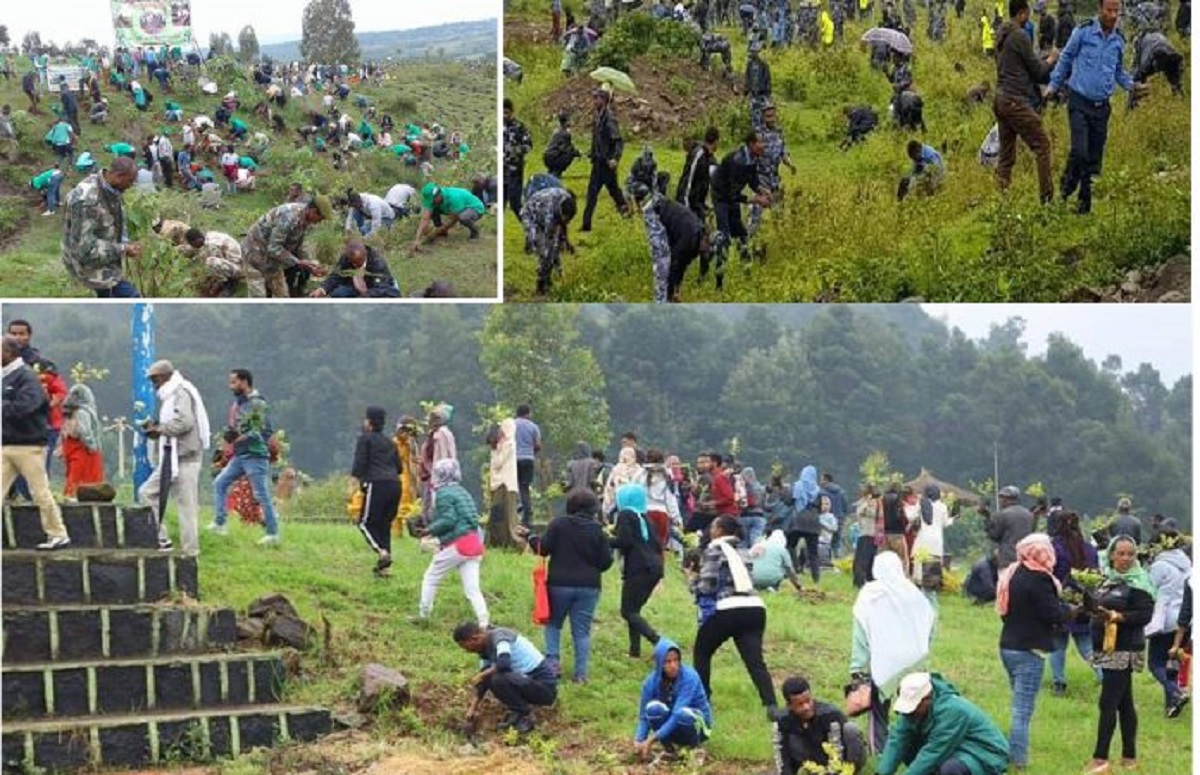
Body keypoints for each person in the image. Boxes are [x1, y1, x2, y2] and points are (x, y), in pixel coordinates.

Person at [1047, 0, 1147, 214]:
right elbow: (1066, 58)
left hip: (1101, 108)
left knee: (1094, 159)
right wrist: (1053, 85)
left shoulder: (1119, 40)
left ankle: (1084, 205)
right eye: (1109, 10)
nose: (1113, 15)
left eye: (1116, 11)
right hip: (1079, 101)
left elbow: (1118, 70)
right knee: (1080, 151)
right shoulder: (1083, 32)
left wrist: (1132, 85)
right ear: (1100, 9)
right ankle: (1065, 190)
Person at [849, 551, 935, 754]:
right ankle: (916, 748)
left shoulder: (870, 594)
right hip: (914, 660)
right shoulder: (913, 592)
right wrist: (922, 650)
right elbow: (930, 622)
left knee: (879, 710)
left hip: (883, 661)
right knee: (915, 705)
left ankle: (880, 751)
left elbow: (860, 632)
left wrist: (857, 666)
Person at [690, 514, 776, 716]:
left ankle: (703, 701)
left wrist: (692, 580)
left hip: (728, 608)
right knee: (755, 661)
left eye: (713, 526)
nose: (710, 530)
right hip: (755, 608)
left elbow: (707, 585)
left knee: (702, 652)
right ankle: (771, 704)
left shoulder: (714, 549)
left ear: (720, 530)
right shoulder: (744, 551)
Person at [995, 533, 1068, 769]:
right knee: (1022, 711)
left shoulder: (1013, 572)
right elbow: (1053, 614)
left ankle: (1012, 755)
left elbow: (1005, 611)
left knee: (1018, 706)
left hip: (1008, 646)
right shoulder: (1040, 579)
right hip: (1029, 651)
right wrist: (1071, 610)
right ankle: (1018, 762)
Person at [1084, 536, 1156, 774]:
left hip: (1124, 648)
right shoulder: (1105, 579)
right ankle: (1129, 757)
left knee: (1107, 702)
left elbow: (1144, 615)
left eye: (1130, 554)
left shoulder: (1140, 583)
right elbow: (1096, 605)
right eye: (1121, 553)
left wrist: (1118, 617)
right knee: (1124, 703)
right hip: (1105, 646)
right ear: (1112, 554)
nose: (1125, 559)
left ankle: (1100, 759)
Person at [527, 489, 613, 683]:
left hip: (559, 584)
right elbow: (606, 562)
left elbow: (544, 548)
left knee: (554, 624)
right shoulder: (598, 530)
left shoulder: (559, 524)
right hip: (589, 587)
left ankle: (552, 665)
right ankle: (581, 674)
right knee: (581, 632)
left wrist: (532, 538)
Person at [1, 337, 70, 550]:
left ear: (10, 353)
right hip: (6, 444)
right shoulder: (5, 377)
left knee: (40, 492)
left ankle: (58, 534)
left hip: (29, 446)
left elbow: (27, 407)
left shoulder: (27, 377)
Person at [139, 360, 210, 556]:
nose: (154, 385)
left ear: (165, 376)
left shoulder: (181, 392)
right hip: (171, 458)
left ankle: (190, 553)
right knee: (146, 493)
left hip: (186, 457)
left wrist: (160, 429)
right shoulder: (170, 395)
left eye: (155, 379)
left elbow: (185, 422)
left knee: (186, 507)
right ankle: (161, 539)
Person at [876, 672, 1009, 775]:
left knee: (950, 768)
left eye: (915, 706)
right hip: (955, 747)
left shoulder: (953, 711)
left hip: (982, 753)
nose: (910, 712)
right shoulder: (912, 712)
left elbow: (934, 751)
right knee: (906, 746)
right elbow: (897, 740)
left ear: (927, 699)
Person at [994, 0, 1059, 203]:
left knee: (1006, 156)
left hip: (1001, 99)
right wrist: (1051, 59)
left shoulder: (1002, 35)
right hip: (1015, 101)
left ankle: (1001, 202)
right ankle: (1047, 199)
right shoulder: (1019, 35)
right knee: (1042, 145)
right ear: (1022, 13)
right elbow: (1038, 72)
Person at [207, 369, 280, 545]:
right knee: (220, 483)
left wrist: (235, 438)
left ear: (244, 382)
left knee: (261, 494)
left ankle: (273, 533)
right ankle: (220, 522)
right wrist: (227, 444)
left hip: (255, 455)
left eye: (234, 382)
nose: (231, 386)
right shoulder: (239, 404)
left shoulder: (257, 404)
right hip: (240, 455)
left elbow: (257, 431)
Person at [415, 459, 490, 626]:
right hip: (475, 543)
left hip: (460, 544)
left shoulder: (443, 493)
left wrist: (429, 530)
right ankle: (484, 622)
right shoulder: (462, 491)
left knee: (431, 577)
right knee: (472, 589)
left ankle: (423, 615)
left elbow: (449, 520)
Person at [455, 621, 557, 734]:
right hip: (526, 682)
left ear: (475, 638)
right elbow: (483, 681)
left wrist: (482, 675)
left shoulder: (500, 637)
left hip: (543, 688)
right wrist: (472, 709)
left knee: (498, 679)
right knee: (491, 677)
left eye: (465, 646)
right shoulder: (484, 650)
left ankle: (525, 715)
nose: (466, 651)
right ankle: (518, 712)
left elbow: (504, 664)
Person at [61, 157, 142, 297]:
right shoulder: (87, 201)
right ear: (118, 176)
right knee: (132, 299)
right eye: (130, 181)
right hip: (87, 266)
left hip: (105, 259)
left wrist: (124, 243)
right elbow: (85, 250)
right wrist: (122, 249)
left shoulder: (109, 189)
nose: (131, 185)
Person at [1049, 511, 1102, 694]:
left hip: (1060, 601)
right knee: (1087, 646)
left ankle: (1059, 682)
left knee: (1057, 645)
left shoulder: (1054, 547)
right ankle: (1104, 676)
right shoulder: (1089, 549)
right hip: (1084, 603)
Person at [634, 638, 713, 761]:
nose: (673, 666)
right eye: (667, 662)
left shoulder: (689, 677)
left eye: (676, 660)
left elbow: (678, 713)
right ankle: (670, 750)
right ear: (660, 663)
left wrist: (652, 739)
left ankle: (695, 748)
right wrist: (639, 739)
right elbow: (644, 716)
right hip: (673, 723)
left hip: (696, 724)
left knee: (683, 714)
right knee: (653, 708)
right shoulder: (650, 682)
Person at [709, 132, 769, 290]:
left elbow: (753, 179)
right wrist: (756, 199)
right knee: (724, 238)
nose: (764, 146)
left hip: (732, 197)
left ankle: (747, 275)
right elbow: (732, 195)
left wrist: (762, 190)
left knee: (742, 236)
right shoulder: (737, 161)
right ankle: (719, 283)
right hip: (721, 198)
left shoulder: (753, 157)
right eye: (761, 142)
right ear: (751, 144)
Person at [611, 482, 664, 659]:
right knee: (634, 610)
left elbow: (624, 542)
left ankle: (659, 642)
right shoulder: (645, 518)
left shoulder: (626, 515)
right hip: (654, 567)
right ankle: (635, 652)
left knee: (627, 611)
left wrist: (604, 539)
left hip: (639, 567)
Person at [774, 675, 868, 774]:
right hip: (813, 762)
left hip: (841, 760)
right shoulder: (784, 720)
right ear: (789, 706)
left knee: (851, 729)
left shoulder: (830, 714)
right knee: (790, 740)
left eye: (808, 701)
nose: (806, 707)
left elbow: (842, 745)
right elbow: (782, 753)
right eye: (800, 704)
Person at [240, 197, 330, 298]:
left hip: (272, 258)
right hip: (254, 252)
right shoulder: (288, 217)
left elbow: (299, 244)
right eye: (321, 218)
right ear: (313, 211)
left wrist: (311, 264)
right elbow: (274, 248)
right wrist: (298, 262)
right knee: (258, 297)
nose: (320, 221)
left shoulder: (306, 218)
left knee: (282, 296)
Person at [1146, 525, 1190, 717]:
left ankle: (1176, 692)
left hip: (1165, 620)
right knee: (1172, 663)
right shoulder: (1187, 563)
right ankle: (1171, 706)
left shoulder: (1159, 566)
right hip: (1185, 620)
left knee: (1156, 663)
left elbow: (1149, 591)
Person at [352, 406, 401, 577]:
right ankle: (384, 569)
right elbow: (399, 468)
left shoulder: (365, 440)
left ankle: (381, 552)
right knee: (384, 525)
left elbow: (358, 467)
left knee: (364, 523)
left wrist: (357, 483)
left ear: (369, 422)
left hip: (376, 484)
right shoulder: (390, 443)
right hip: (396, 485)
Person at [580, 86, 629, 231]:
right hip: (598, 163)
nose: (594, 101)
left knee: (615, 193)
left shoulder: (609, 118)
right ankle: (586, 225)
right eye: (594, 98)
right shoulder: (598, 117)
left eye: (597, 98)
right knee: (591, 194)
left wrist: (615, 158)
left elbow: (618, 141)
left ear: (604, 100)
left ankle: (627, 215)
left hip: (607, 164)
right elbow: (597, 140)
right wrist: (591, 152)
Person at [520, 186, 577, 296]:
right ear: (561, 213)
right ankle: (541, 283)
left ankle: (550, 277)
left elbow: (562, 225)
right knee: (543, 249)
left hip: (543, 207)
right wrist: (557, 267)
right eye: (566, 219)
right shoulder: (549, 216)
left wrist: (567, 241)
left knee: (553, 247)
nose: (568, 222)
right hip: (530, 216)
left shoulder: (568, 199)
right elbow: (550, 245)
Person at [57, 383, 104, 500]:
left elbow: (65, 433)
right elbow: (84, 432)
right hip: (84, 451)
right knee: (88, 479)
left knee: (73, 478)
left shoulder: (70, 412)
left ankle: (69, 498)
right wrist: (92, 446)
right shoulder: (83, 412)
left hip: (73, 450)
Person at [310, 241, 398, 298]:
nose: (355, 265)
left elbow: (381, 288)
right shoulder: (346, 258)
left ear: (365, 255)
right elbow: (336, 275)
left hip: (376, 289)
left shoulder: (377, 263)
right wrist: (322, 289)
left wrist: (362, 297)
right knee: (337, 294)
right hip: (354, 288)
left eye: (359, 262)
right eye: (353, 262)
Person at [412, 183, 486, 250]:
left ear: (439, 194)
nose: (432, 202)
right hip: (457, 209)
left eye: (433, 200)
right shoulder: (433, 199)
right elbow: (425, 218)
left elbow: (454, 219)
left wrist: (438, 231)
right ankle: (442, 231)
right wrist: (417, 239)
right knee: (433, 210)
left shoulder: (454, 198)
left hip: (475, 208)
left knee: (463, 217)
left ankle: (475, 233)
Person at [912, 485, 954, 603]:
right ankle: (931, 591)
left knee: (920, 568)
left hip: (922, 539)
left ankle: (920, 593)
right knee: (933, 569)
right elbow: (945, 523)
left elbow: (912, 517)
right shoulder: (943, 507)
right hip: (936, 541)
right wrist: (953, 519)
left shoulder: (921, 504)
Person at [676, 126, 719, 223]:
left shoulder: (710, 158)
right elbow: (687, 181)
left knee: (701, 232)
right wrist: (685, 208)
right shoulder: (698, 155)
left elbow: (711, 181)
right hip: (687, 202)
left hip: (697, 203)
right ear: (716, 142)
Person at [987, 485, 1034, 566]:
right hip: (1026, 558)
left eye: (1002, 497)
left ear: (1007, 499)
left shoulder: (1002, 514)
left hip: (1008, 559)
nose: (1000, 500)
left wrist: (987, 519)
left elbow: (994, 536)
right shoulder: (1029, 514)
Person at [502, 99, 533, 216]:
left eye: (506, 113)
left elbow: (528, 145)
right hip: (501, 170)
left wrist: (517, 150)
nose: (504, 116)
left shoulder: (519, 127)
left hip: (515, 170)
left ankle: (529, 225)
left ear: (511, 112)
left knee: (515, 203)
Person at [514, 404, 542, 527]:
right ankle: (526, 517)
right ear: (527, 413)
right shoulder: (534, 427)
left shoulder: (512, 425)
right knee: (524, 487)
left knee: (513, 487)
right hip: (528, 459)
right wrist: (531, 451)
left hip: (513, 460)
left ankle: (515, 509)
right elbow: (538, 445)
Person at [543, 111, 582, 178]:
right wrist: (576, 152)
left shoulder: (557, 131)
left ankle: (551, 171)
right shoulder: (565, 134)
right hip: (553, 158)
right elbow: (565, 148)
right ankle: (557, 171)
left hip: (547, 157)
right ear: (566, 121)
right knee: (569, 154)